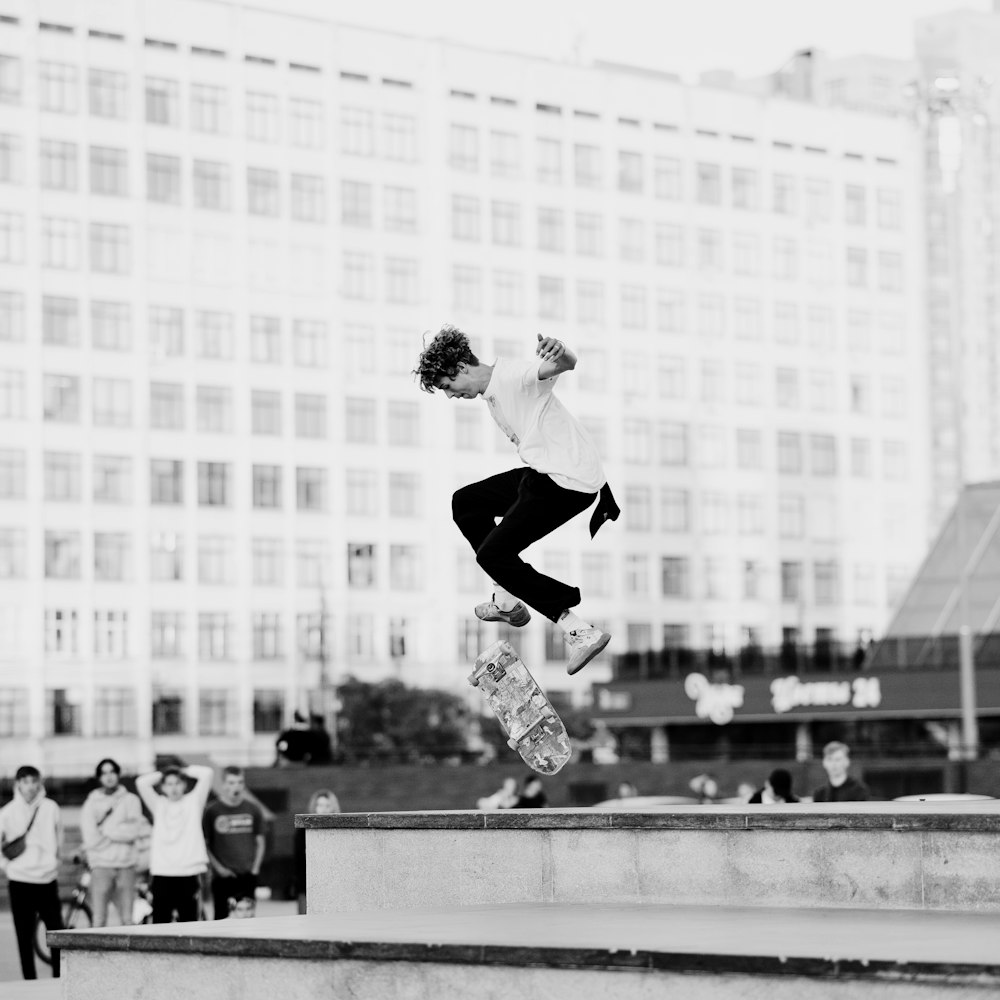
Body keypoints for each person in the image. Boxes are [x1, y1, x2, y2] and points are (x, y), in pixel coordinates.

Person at [414, 326, 620, 677]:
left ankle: (578, 629)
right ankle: (506, 596)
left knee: (492, 554)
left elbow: (562, 365)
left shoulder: (512, 377)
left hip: (567, 482)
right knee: (465, 502)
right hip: (543, 474)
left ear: (462, 368)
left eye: (448, 387)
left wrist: (561, 351)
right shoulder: (493, 393)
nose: (451, 397)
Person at [0, 765, 63, 980]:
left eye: (34, 781)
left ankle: (59, 979)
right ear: (18, 784)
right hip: (20, 881)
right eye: (25, 782)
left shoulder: (51, 807)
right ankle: (29, 982)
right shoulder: (7, 812)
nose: (30, 786)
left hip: (47, 879)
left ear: (40, 782)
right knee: (23, 936)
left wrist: (53, 861)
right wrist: (7, 867)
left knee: (57, 934)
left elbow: (59, 837)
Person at [136, 763, 213, 923]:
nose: (174, 788)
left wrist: (182, 770)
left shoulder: (194, 802)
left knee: (188, 920)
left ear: (184, 784)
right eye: (169, 784)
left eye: (177, 783)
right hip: (163, 872)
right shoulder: (159, 804)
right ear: (162, 787)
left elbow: (207, 774)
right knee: (161, 920)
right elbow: (141, 782)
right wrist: (164, 772)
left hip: (188, 871)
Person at [80, 758, 143, 927]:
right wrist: (120, 830)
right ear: (99, 777)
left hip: (126, 865)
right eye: (104, 773)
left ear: (118, 774)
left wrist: (106, 831)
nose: (109, 777)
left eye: (112, 772)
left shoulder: (131, 800)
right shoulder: (91, 803)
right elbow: (91, 839)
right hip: (101, 866)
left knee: (128, 920)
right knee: (99, 919)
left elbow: (134, 831)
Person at [202, 766, 267, 920]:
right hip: (223, 876)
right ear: (223, 784)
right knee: (222, 919)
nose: (235, 787)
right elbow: (205, 844)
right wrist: (219, 868)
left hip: (247, 874)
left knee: (247, 917)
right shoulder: (212, 811)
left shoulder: (252, 809)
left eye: (239, 782)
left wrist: (255, 869)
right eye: (231, 783)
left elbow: (260, 841)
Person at [295, 788, 339, 914]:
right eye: (319, 805)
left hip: (331, 887)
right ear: (314, 807)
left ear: (333, 808)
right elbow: (298, 861)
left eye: (327, 805)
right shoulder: (302, 831)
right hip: (306, 886)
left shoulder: (338, 831)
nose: (323, 809)